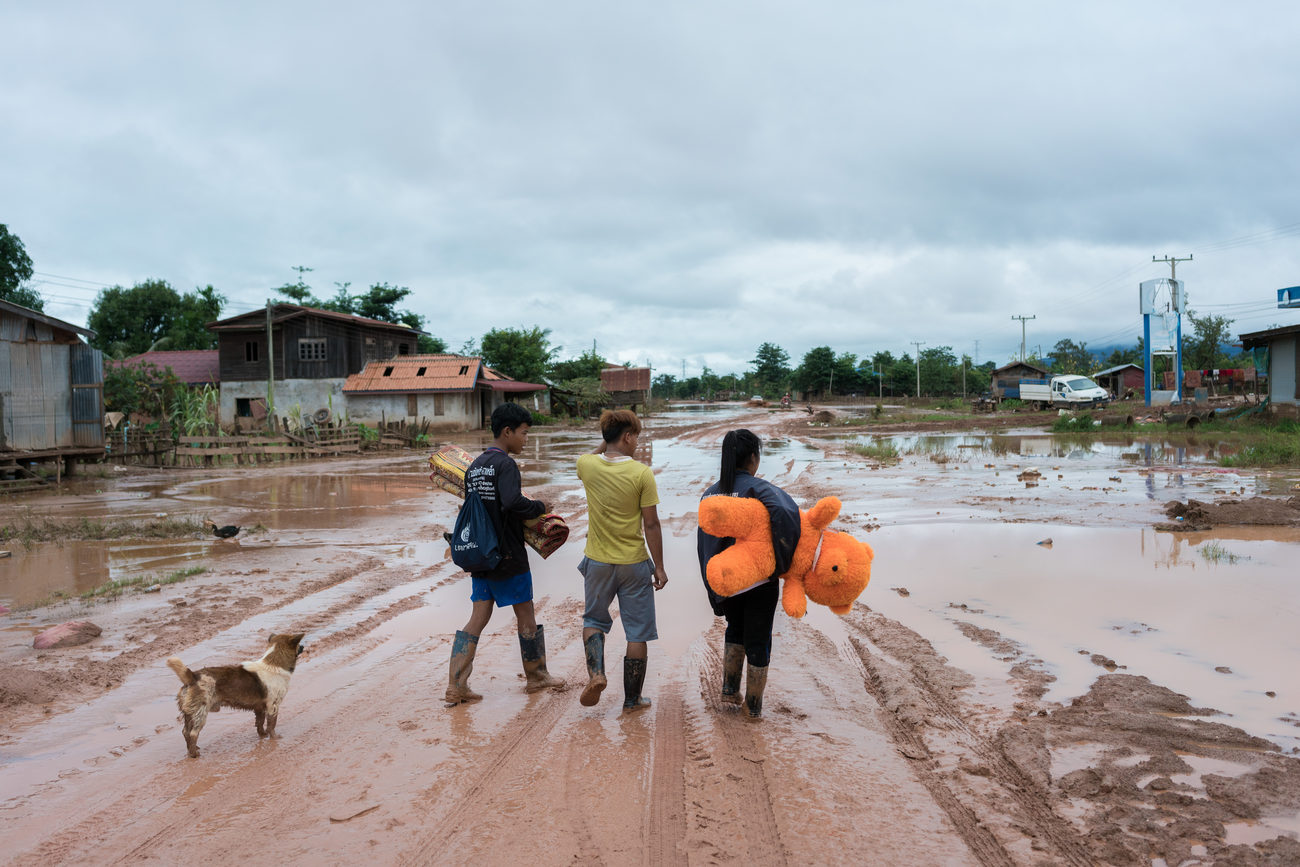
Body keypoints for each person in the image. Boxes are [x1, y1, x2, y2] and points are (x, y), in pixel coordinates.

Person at [445, 402, 565, 705]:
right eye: (524, 433)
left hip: (482, 555)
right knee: (525, 614)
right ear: (507, 431)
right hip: (508, 555)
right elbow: (512, 502)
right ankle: (537, 677)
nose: (526, 439)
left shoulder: (476, 465)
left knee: (478, 617)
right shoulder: (506, 465)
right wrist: (541, 507)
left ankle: (456, 684)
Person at [696, 429, 800, 718]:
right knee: (759, 638)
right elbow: (788, 515)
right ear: (753, 458)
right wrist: (781, 563)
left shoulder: (711, 493)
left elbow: (703, 544)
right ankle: (753, 707)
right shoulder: (761, 490)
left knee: (735, 628)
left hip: (727, 581)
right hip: (758, 581)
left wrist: (712, 586)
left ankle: (729, 690)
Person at [575, 409, 668, 712]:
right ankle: (632, 699)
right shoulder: (642, 474)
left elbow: (593, 455)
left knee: (593, 620)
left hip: (598, 562)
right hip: (633, 563)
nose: (638, 444)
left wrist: (606, 443)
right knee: (637, 632)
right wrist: (660, 566)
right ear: (628, 436)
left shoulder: (586, 465)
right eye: (636, 438)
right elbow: (651, 524)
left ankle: (597, 673)